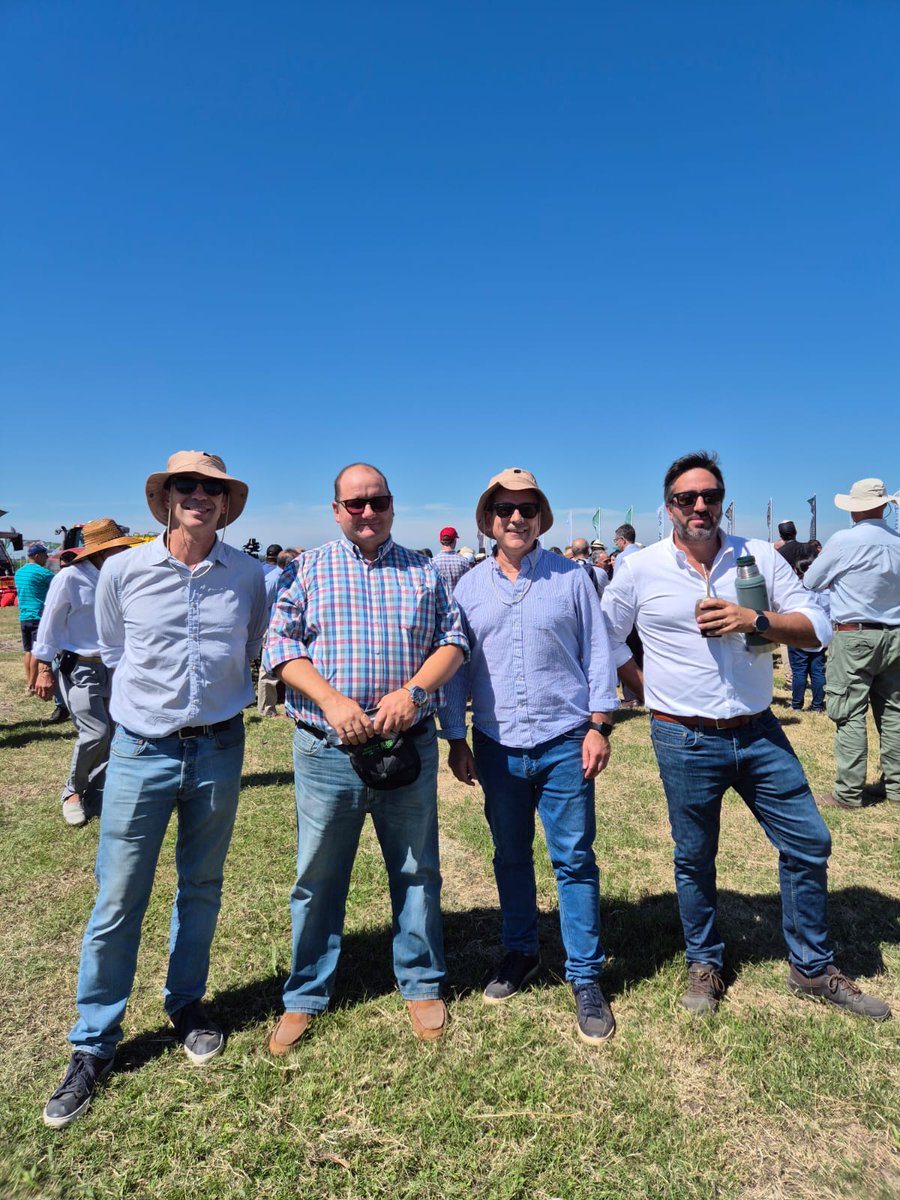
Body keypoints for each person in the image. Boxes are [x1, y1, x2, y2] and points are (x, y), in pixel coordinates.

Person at [602, 450, 890, 1022]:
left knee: (809, 841)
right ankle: (704, 963)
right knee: (694, 856)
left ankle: (810, 966)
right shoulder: (639, 568)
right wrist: (643, 687)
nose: (700, 506)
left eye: (710, 496)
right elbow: (605, 638)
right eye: (688, 498)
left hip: (759, 732)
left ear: (722, 502)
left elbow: (816, 627)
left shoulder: (758, 556)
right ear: (670, 508)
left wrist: (754, 620)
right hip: (682, 736)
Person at [43, 451, 268, 1129]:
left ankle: (186, 1004)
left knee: (201, 885)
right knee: (119, 896)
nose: (199, 495)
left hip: (220, 747)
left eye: (212, 488)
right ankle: (93, 1042)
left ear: (226, 503)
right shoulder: (123, 571)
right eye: (186, 485)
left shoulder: (250, 576)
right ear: (166, 497)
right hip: (141, 750)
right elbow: (113, 651)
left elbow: (251, 647)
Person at [263, 463, 468, 1055]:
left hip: (407, 743)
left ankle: (421, 979)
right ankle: (305, 992)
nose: (366, 511)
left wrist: (414, 693)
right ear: (336, 511)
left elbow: (452, 640)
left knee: (415, 868)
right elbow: (280, 645)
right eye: (354, 504)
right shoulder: (306, 569)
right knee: (318, 874)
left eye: (376, 501)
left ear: (392, 505)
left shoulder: (425, 570)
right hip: (328, 747)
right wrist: (331, 701)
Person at [440, 468, 619, 1045]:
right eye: (503, 508)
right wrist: (456, 739)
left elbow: (598, 652)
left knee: (574, 859)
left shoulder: (573, 578)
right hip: (496, 745)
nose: (514, 518)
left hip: (565, 740)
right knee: (510, 856)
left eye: (525, 508)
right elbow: (457, 670)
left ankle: (585, 974)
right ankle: (521, 951)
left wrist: (599, 724)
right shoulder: (467, 588)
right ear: (488, 519)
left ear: (540, 516)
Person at [32, 519, 141, 826]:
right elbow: (50, 622)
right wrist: (43, 668)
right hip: (79, 665)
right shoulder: (70, 578)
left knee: (118, 731)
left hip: (115, 666)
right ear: (100, 551)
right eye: (116, 547)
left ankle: (98, 792)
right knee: (97, 731)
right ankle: (72, 792)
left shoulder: (122, 577)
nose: (121, 551)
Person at [803, 477, 900, 809]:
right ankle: (897, 786)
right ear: (884, 506)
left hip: (855, 633)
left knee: (849, 714)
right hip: (895, 634)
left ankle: (848, 793)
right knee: (893, 713)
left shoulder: (844, 541)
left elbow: (812, 580)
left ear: (855, 509)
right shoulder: (898, 540)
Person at [15, 542, 54, 694]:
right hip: (38, 616)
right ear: (37, 556)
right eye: (45, 554)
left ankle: (29, 681)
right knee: (37, 651)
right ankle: (31, 686)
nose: (47, 557)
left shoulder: (19, 572)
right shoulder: (44, 573)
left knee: (28, 651)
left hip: (24, 616)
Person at [432, 526, 471, 593]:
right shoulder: (463, 561)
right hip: (459, 601)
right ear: (455, 540)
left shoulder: (433, 562)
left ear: (440, 541)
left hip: (439, 602)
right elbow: (469, 585)